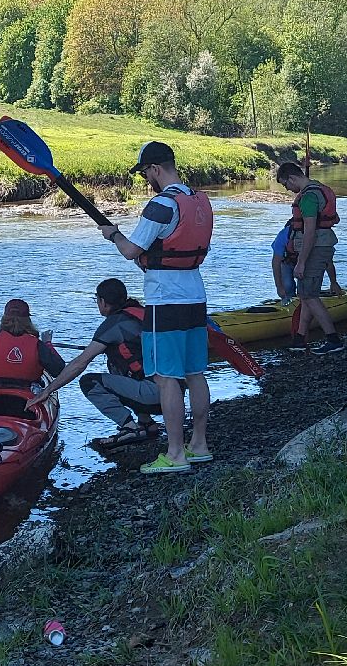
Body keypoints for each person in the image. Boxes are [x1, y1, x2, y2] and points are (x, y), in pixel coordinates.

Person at [99, 141, 213, 474]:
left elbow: (131, 251)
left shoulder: (161, 204)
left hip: (166, 301)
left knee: (166, 378)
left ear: (155, 169)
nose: (146, 178)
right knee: (195, 374)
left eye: (146, 172)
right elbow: (161, 253)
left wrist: (114, 235)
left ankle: (175, 454)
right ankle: (199, 445)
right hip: (195, 294)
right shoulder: (200, 200)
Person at [27, 278, 163, 450]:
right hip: (173, 392)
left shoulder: (113, 325)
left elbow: (80, 363)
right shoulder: (140, 314)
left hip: (154, 395)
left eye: (97, 300)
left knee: (89, 382)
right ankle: (146, 423)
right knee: (118, 364)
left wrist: (47, 390)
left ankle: (129, 427)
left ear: (103, 302)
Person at [276, 161, 344, 354]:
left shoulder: (307, 198)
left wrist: (301, 262)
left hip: (315, 249)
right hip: (324, 246)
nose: (287, 189)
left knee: (310, 296)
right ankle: (299, 339)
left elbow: (310, 232)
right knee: (306, 295)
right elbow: (335, 218)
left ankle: (333, 339)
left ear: (292, 178)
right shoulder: (322, 189)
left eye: (285, 184)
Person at [0, 298, 64, 387]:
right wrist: (47, 344)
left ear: (4, 318)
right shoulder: (37, 344)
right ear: (28, 320)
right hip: (27, 391)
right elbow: (58, 370)